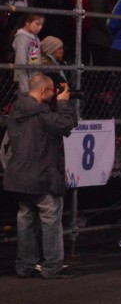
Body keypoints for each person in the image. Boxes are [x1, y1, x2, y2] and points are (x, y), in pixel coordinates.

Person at [5, 74, 77, 278]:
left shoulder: (18, 110)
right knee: (50, 219)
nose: (55, 93)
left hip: (19, 175)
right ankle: (52, 266)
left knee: (25, 219)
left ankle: (25, 266)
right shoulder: (42, 115)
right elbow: (66, 124)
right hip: (41, 176)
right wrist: (63, 103)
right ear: (44, 91)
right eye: (53, 89)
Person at [12, 13, 45, 94]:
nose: (40, 27)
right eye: (37, 24)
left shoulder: (35, 37)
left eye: (41, 24)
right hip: (27, 81)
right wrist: (25, 88)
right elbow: (20, 62)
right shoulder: (22, 38)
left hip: (35, 79)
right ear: (27, 22)